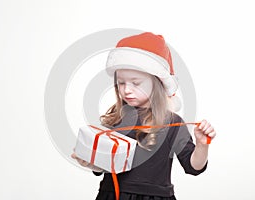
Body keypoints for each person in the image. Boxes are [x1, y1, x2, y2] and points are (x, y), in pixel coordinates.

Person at [72, 32, 216, 200]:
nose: (126, 90)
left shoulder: (172, 122)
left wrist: (202, 145)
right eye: (121, 83)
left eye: (136, 83)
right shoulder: (115, 118)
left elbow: (194, 167)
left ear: (157, 83)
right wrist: (91, 163)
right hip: (111, 195)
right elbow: (104, 166)